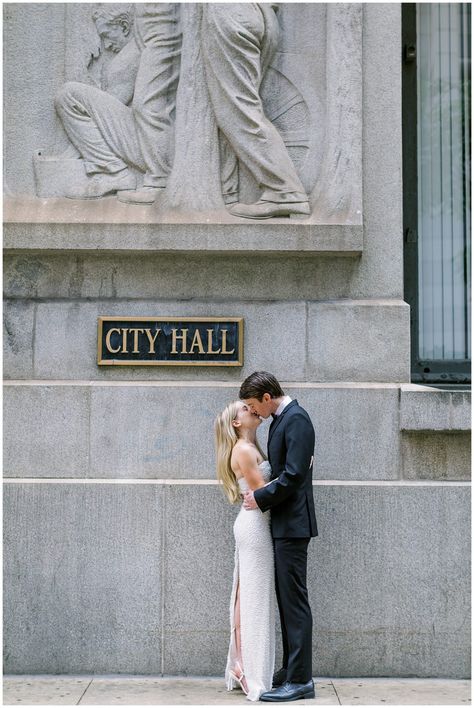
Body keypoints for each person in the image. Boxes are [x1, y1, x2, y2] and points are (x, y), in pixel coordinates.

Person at [239, 371, 317, 702]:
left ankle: (301, 680)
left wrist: (261, 498)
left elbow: (295, 476)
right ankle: (290, 669)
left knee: (294, 603)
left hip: (294, 526)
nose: (254, 412)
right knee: (287, 602)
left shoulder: (297, 419)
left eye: (254, 405)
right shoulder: (280, 419)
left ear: (268, 397)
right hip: (284, 525)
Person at [201, 4, 311, 220]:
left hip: (231, 15)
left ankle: (285, 189)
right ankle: (229, 191)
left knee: (237, 111)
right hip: (259, 13)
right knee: (238, 108)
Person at [215, 400, 276, 701]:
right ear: (236, 423)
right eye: (243, 408)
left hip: (255, 524)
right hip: (254, 526)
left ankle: (242, 665)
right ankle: (249, 670)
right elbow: (265, 491)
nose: (251, 408)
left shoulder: (252, 447)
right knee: (254, 598)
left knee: (249, 595)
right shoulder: (243, 450)